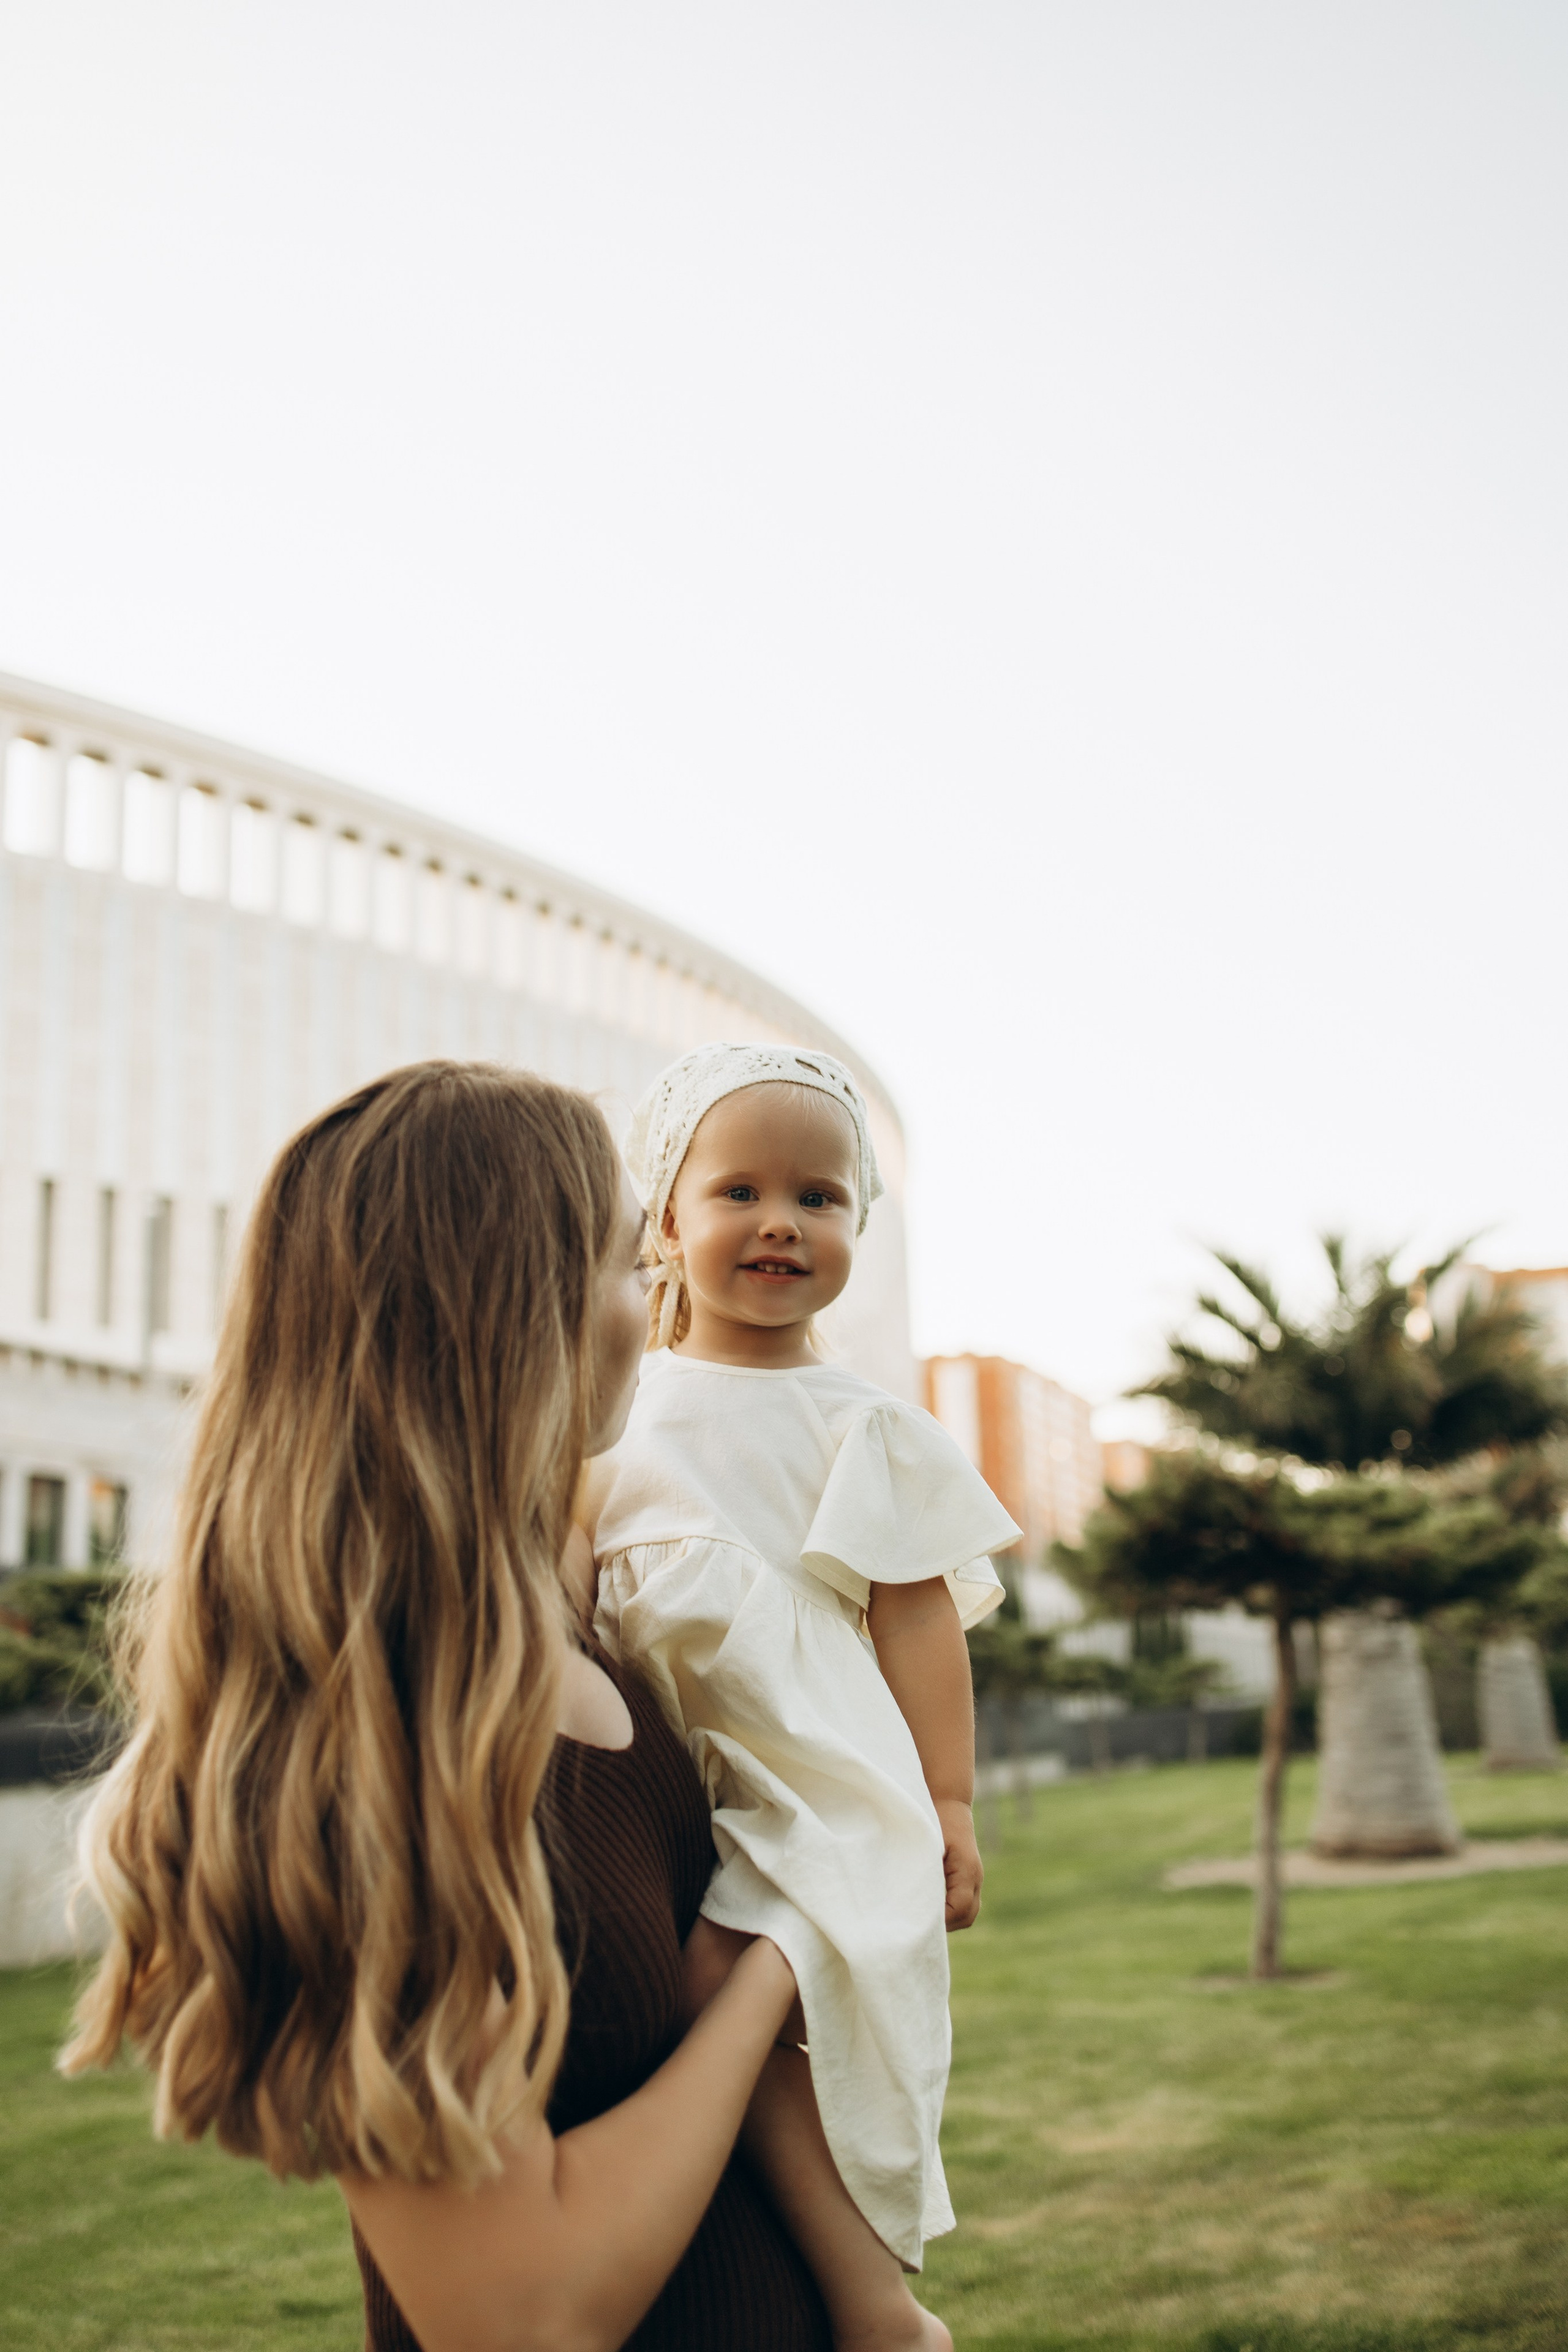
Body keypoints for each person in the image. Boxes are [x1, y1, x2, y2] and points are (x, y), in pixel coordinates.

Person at [61, 1060, 832, 2352]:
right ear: (508, 1318)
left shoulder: (576, 1604)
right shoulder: (371, 1744)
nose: (652, 1303)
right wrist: (773, 1959)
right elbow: (521, 2316)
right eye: (617, 1263)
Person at [581, 1043, 1020, 2348]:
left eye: (819, 1198)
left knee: (747, 1988)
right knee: (652, 1986)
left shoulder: (861, 1423)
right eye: (739, 1192)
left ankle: (872, 2299)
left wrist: (945, 1798)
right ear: (666, 1219)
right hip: (653, 1774)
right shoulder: (620, 1412)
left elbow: (916, 1619)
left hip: (808, 1770)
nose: (780, 1220)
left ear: (856, 1230)